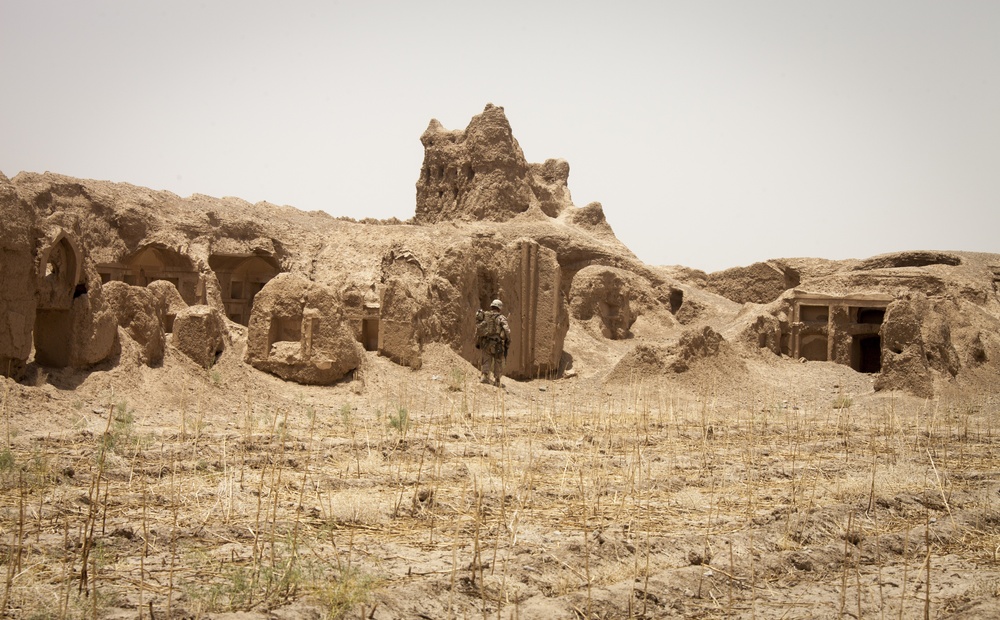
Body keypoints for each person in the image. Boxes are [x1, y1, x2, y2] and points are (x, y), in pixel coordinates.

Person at [475, 299, 510, 387]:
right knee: (498, 361)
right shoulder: (501, 317)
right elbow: (506, 330)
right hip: (497, 343)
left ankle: (484, 377)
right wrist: (508, 339)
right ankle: (497, 380)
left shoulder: (485, 315)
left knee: (486, 359)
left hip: (486, 342)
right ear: (499, 308)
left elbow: (478, 328)